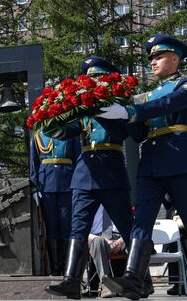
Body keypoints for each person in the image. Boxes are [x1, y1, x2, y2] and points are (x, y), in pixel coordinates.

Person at [98, 34, 187, 299]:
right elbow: (137, 134)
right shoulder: (146, 96)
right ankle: (133, 279)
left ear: (175, 58)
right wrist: (108, 113)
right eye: (150, 58)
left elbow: (171, 104)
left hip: (177, 158)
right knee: (141, 220)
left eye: (158, 56)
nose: (153, 62)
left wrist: (133, 111)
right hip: (150, 160)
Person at [44, 57, 136, 300]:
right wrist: (48, 117)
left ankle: (140, 280)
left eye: (98, 77)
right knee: (78, 228)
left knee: (127, 226)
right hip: (84, 174)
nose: (93, 81)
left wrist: (100, 108)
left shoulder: (118, 106)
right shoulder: (83, 111)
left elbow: (124, 131)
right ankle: (71, 281)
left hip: (111, 171)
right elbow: (64, 132)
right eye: (90, 77)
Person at [30, 130, 80, 275]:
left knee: (66, 227)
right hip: (46, 185)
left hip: (67, 183)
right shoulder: (39, 135)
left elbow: (78, 159)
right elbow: (34, 161)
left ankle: (67, 268)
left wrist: (78, 183)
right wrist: (34, 187)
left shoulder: (71, 132)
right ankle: (55, 268)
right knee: (51, 228)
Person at [88, 205, 126, 298]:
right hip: (97, 238)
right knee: (98, 242)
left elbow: (133, 228)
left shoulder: (120, 203)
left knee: (136, 241)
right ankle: (105, 284)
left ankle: (138, 284)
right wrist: (103, 240)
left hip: (121, 238)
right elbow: (82, 232)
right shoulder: (90, 205)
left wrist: (121, 240)